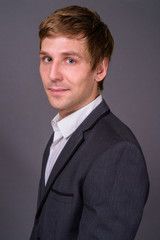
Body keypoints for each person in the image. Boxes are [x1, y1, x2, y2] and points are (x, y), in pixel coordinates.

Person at [30, 5, 149, 240]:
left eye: (70, 60)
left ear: (100, 69)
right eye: (47, 58)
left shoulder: (118, 152)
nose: (53, 74)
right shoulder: (62, 132)